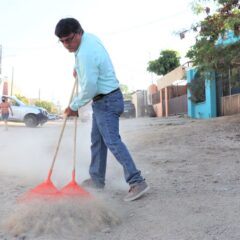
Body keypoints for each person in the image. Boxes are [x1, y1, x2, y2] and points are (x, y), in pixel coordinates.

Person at [55, 18, 149, 201]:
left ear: (78, 32)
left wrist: (74, 106)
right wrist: (77, 68)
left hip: (106, 101)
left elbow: (89, 87)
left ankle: (137, 181)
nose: (66, 45)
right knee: (97, 141)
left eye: (69, 39)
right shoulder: (88, 40)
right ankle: (97, 179)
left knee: (112, 142)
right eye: (62, 41)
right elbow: (87, 64)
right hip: (104, 101)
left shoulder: (85, 54)